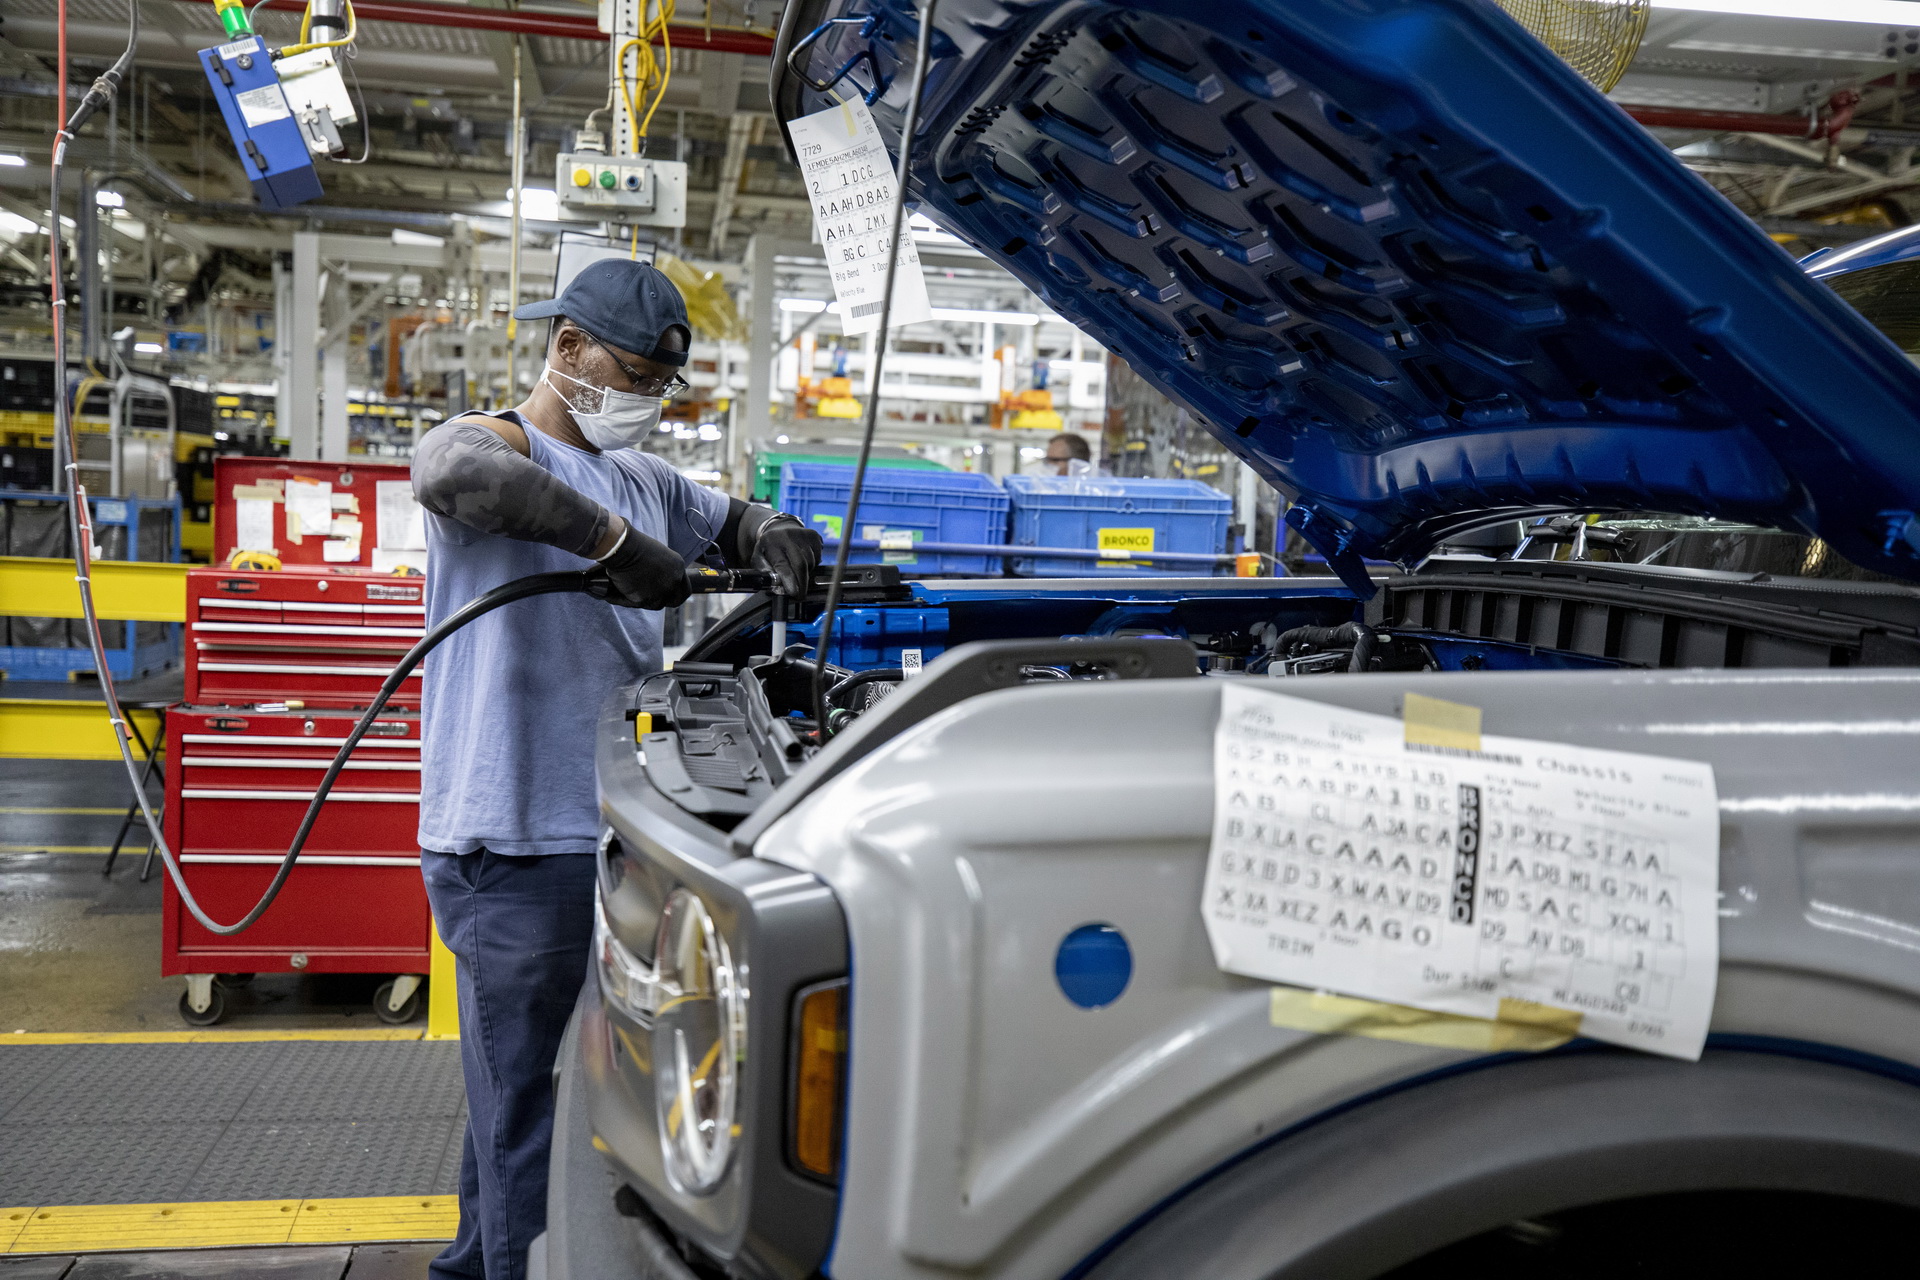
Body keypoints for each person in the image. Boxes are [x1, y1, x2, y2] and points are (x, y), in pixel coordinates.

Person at [408, 258, 821, 1280]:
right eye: (629, 372)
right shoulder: (501, 447)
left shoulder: (641, 474)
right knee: (527, 1113)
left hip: (600, 831)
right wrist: (610, 542)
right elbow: (448, 468)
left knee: (530, 1088)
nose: (641, 398)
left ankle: (473, 1262)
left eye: (657, 384)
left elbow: (724, 514)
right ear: (567, 350)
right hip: (511, 838)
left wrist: (771, 531)